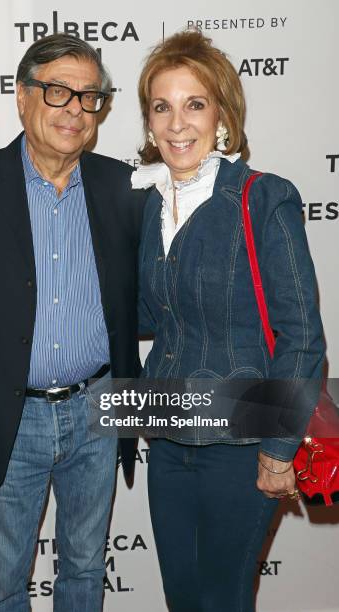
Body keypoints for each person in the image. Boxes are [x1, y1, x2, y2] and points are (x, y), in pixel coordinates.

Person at [0, 33, 147, 611]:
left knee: (84, 570)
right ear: (22, 98)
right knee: (3, 584)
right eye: (57, 92)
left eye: (89, 97)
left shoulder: (123, 187)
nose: (76, 109)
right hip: (8, 418)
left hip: (99, 408)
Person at [132, 30, 325, 611]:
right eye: (162, 106)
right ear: (147, 122)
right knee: (182, 598)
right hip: (167, 436)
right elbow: (153, 316)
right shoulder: (147, 202)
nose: (176, 123)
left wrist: (278, 448)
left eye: (195, 104)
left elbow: (302, 337)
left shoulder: (264, 199)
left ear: (222, 115)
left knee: (223, 600)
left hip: (243, 442)